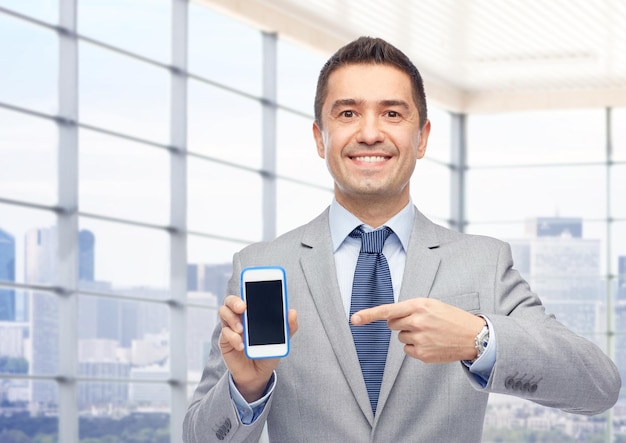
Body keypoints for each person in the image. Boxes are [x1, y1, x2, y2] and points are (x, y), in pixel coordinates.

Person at [183, 36, 621, 443]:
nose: (370, 133)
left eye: (392, 113)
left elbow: (598, 386)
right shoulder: (259, 264)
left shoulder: (484, 263)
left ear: (422, 137)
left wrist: (478, 339)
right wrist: (247, 385)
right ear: (320, 138)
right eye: (347, 113)